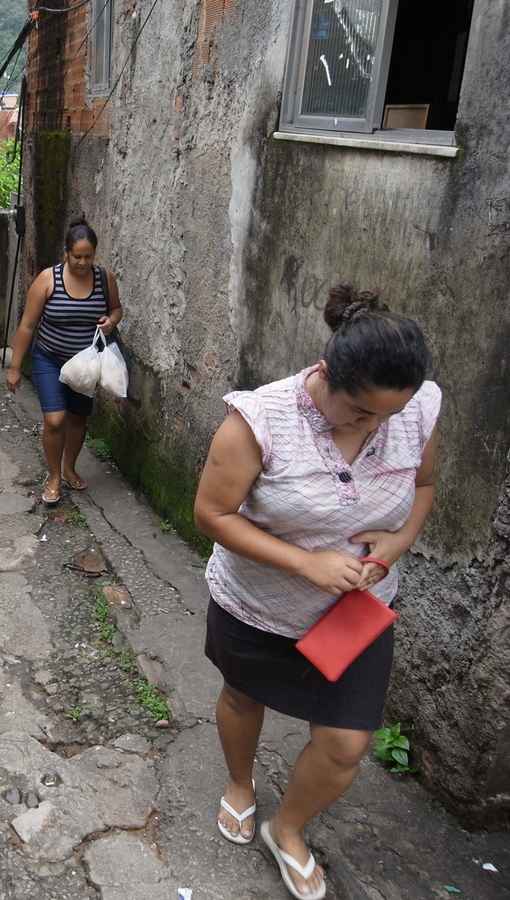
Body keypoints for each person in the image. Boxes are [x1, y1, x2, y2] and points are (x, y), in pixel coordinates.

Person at [192, 284, 440, 900]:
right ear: (325, 374)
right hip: (257, 604)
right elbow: (212, 514)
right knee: (244, 698)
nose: (376, 424)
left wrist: (396, 543)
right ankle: (241, 785)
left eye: (388, 412)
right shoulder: (258, 420)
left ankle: (289, 828)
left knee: (345, 743)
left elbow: (426, 485)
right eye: (360, 411)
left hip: (355, 613)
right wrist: (306, 565)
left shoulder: (418, 407)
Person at [4, 218, 122, 504]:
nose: (83, 262)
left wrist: (110, 321)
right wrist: (16, 367)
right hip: (49, 359)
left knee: (78, 418)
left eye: (88, 256)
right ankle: (55, 475)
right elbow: (27, 325)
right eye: (77, 256)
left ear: (95, 254)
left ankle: (70, 467)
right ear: (66, 252)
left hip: (84, 365)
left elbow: (116, 309)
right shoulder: (48, 279)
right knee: (55, 420)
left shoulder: (104, 278)